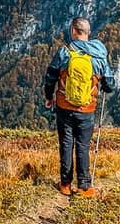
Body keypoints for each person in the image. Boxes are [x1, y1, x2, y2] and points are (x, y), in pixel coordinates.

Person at [42, 17, 113, 198]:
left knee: (66, 143)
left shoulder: (64, 52)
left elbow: (50, 76)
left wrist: (48, 97)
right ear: (88, 32)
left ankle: (65, 184)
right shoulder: (99, 55)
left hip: (64, 106)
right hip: (86, 109)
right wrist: (102, 85)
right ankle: (84, 186)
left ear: (73, 31)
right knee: (82, 145)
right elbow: (110, 84)